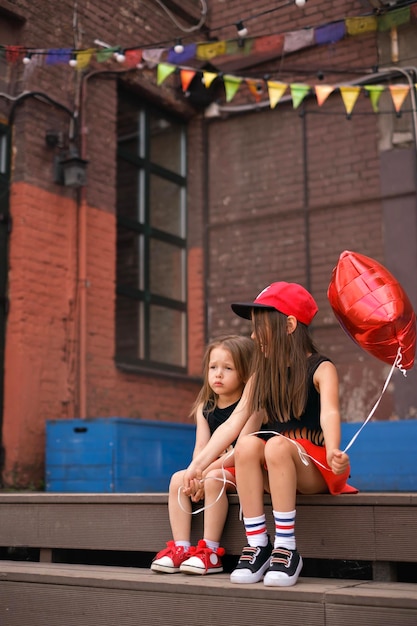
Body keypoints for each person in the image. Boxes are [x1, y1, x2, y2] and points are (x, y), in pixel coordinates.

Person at [183, 281, 357, 587]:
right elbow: (234, 423)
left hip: (315, 467)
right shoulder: (262, 373)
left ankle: (287, 547)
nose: (252, 335)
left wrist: (333, 449)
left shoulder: (321, 368)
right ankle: (258, 545)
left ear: (289, 324)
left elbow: (330, 412)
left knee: (275, 444)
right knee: (249, 444)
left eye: (260, 326)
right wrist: (197, 467)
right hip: (273, 467)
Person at [151, 334, 254, 576]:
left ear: (246, 374)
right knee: (178, 479)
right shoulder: (205, 408)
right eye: (213, 367)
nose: (218, 374)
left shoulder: (252, 405)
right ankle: (181, 548)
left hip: (242, 470)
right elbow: (201, 447)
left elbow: (240, 452)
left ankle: (210, 551)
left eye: (228, 368)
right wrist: (193, 474)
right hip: (210, 469)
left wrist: (205, 474)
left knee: (213, 479)